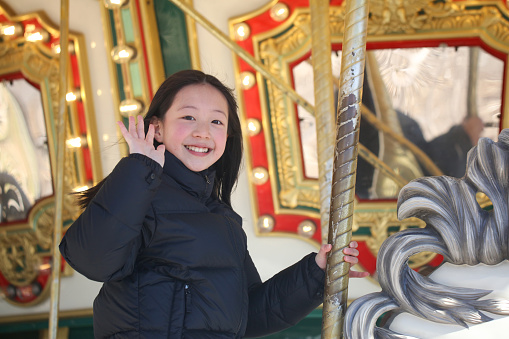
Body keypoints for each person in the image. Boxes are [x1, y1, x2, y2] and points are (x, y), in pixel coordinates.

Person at [59, 70, 368, 339]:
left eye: (216, 121)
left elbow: (249, 314)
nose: (203, 132)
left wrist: (316, 273)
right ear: (157, 126)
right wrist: (140, 167)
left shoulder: (223, 218)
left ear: (228, 135)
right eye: (188, 116)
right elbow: (93, 260)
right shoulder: (140, 195)